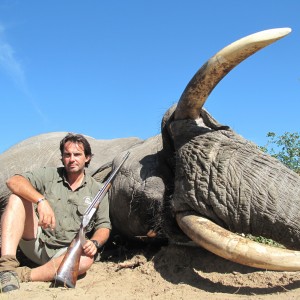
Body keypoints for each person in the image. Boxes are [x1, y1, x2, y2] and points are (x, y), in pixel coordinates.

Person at [0, 133, 111, 293]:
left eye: (77, 154)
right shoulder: (50, 174)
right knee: (17, 198)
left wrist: (94, 242)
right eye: (67, 155)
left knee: (86, 260)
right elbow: (13, 181)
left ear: (87, 158)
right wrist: (41, 201)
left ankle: (24, 274)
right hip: (36, 242)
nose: (72, 159)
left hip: (65, 253)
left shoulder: (98, 190)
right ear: (62, 158)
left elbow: (104, 226)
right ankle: (7, 268)